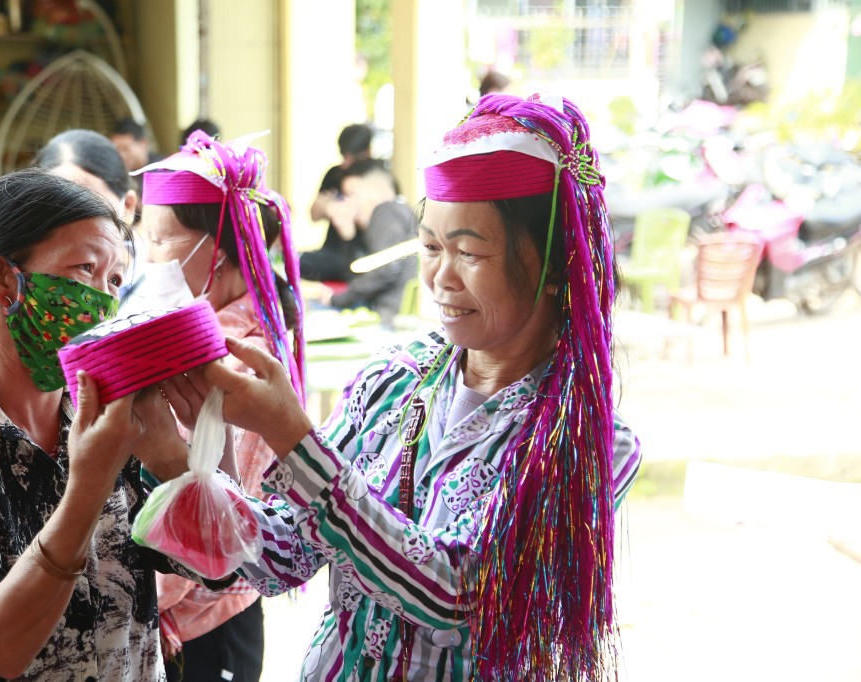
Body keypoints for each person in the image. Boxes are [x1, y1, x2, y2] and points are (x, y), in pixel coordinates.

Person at [173, 93, 643, 680]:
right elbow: (286, 555)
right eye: (430, 247)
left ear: (552, 267)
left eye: (469, 251)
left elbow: (458, 598)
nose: (440, 277)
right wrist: (172, 457)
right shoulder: (393, 378)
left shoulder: (588, 438)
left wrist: (291, 435)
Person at [0, 168, 208, 681]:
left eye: (114, 280)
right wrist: (88, 489)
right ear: (4, 279)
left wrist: (198, 442)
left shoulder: (113, 420)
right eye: (83, 270)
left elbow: (212, 565)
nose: (102, 301)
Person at [134, 129, 304, 682]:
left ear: (220, 250)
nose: (146, 254)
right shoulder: (212, 330)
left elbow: (220, 505)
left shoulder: (236, 358)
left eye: (162, 240)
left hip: (201, 615)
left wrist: (144, 600)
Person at [32, 128, 142, 291]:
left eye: (92, 208)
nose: (75, 225)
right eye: (57, 210)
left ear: (128, 207)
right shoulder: (33, 288)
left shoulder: (161, 294)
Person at [321, 158, 417, 327]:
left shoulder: (386, 211)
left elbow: (385, 269)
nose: (348, 204)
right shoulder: (400, 212)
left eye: (352, 195)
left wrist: (337, 300)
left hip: (388, 319)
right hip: (386, 315)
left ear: (380, 190)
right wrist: (348, 236)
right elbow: (357, 273)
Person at [299, 123, 373, 282]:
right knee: (291, 262)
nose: (346, 163)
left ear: (367, 152)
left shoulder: (375, 176)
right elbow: (314, 214)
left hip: (361, 253)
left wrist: (348, 216)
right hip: (332, 251)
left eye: (352, 157)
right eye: (343, 156)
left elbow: (372, 222)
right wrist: (329, 208)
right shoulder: (335, 174)